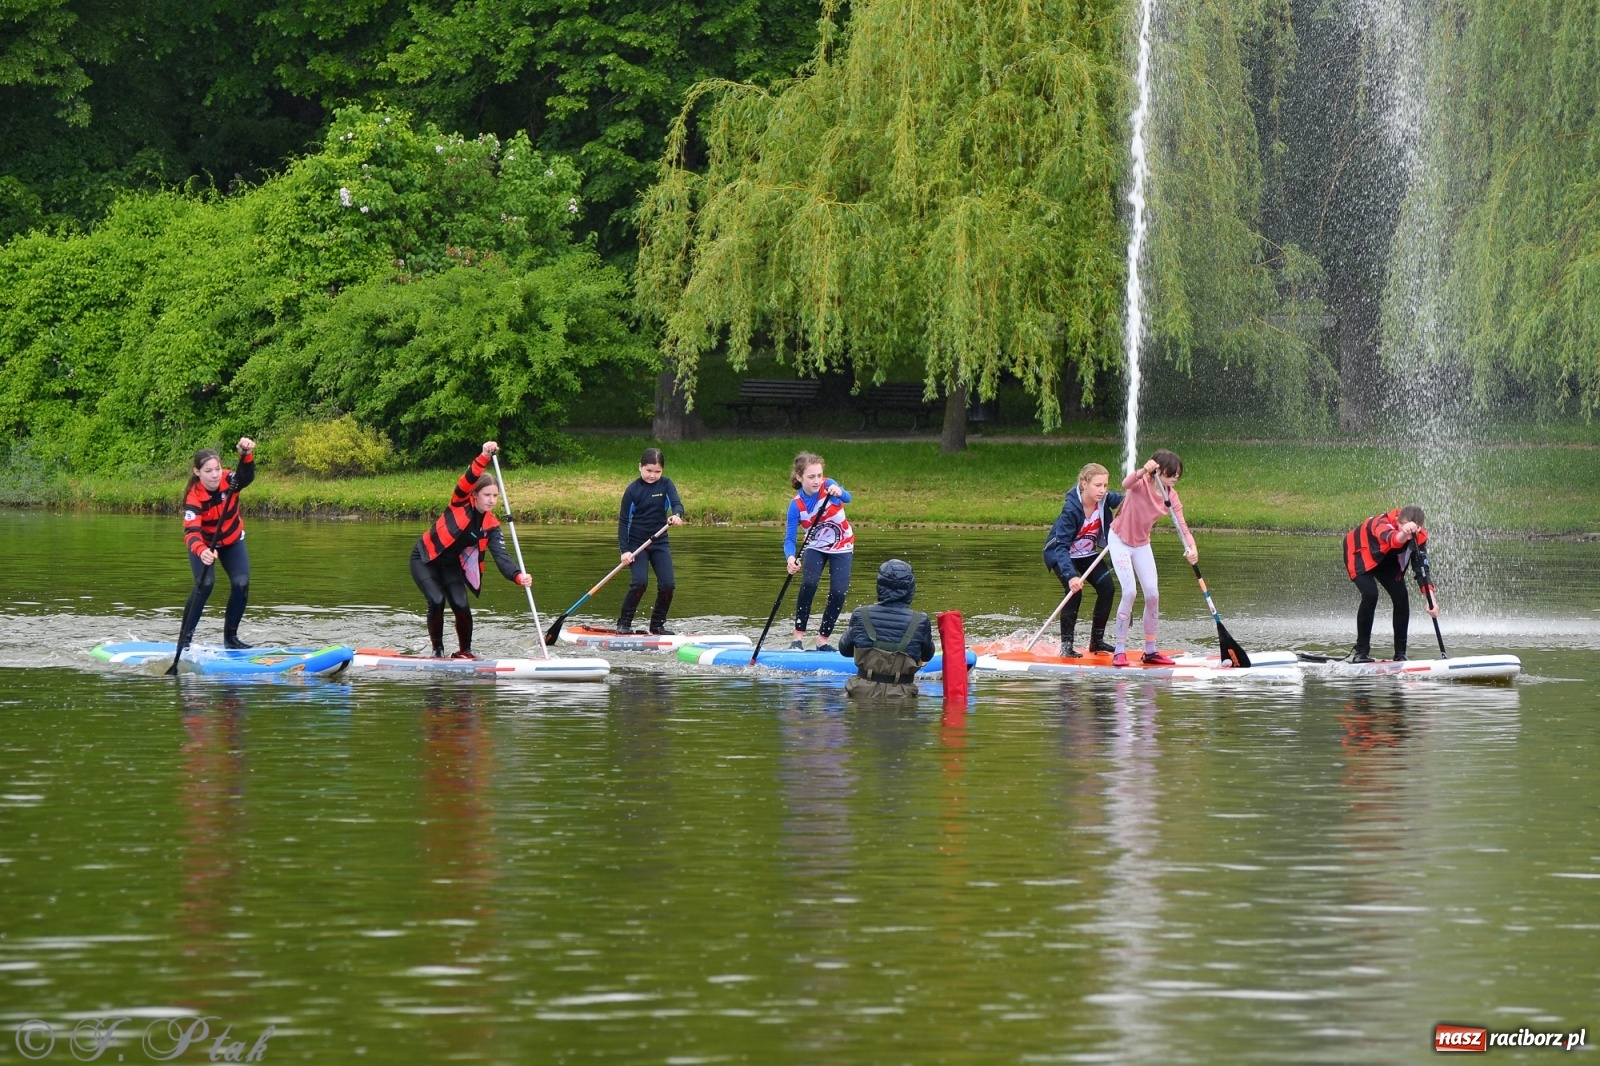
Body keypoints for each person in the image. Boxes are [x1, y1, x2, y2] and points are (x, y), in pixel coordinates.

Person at [410, 441, 533, 658]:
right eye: (487, 495)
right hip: (425, 559)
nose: (492, 500)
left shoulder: (492, 526)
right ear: (475, 495)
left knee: (461, 605)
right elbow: (469, 477)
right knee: (437, 600)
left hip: (450, 565)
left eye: (495, 496)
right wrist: (484, 456)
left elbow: (501, 556)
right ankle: (437, 651)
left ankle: (465, 652)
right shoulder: (459, 502)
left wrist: (517, 576)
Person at [1108, 449, 1198, 667]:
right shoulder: (1141, 484)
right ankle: (1119, 650)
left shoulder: (1171, 496)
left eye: (1178, 473)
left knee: (1152, 595)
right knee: (1129, 591)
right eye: (1172, 472)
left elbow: (1182, 526)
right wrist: (1142, 471)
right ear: (1159, 469)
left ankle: (1150, 651)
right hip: (1119, 540)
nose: (1176, 477)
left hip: (1141, 545)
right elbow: (1126, 483)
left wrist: (1192, 548)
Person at [180, 437, 258, 650]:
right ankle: (184, 641)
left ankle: (231, 639)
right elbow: (191, 532)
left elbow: (246, 476)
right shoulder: (193, 496)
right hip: (205, 544)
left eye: (217, 469)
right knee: (204, 584)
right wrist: (202, 550)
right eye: (208, 471)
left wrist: (246, 454)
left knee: (241, 583)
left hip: (232, 540)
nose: (215, 475)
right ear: (197, 472)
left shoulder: (229, 480)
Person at [1042, 461, 1124, 656]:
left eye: (1105, 485)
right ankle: (1066, 647)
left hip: (1087, 554)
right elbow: (1061, 547)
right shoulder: (1070, 510)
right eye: (1098, 485)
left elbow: (1128, 500)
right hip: (1062, 555)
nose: (1102, 490)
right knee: (1075, 593)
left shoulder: (1104, 498)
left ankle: (1096, 642)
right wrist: (1071, 576)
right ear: (1084, 484)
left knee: (1108, 589)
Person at [1343, 505, 1437, 662]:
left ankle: (1400, 655)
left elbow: (1421, 569)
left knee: (1401, 598)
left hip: (1385, 559)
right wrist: (1404, 532)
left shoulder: (1419, 536)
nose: (1410, 534)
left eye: (1414, 530)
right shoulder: (1382, 523)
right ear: (1397, 521)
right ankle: (1361, 653)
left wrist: (1431, 599)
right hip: (1360, 554)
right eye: (1402, 527)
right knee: (1371, 594)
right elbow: (1393, 540)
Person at [784, 452, 854, 651]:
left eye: (819, 476)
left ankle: (822, 641)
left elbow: (848, 497)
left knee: (838, 592)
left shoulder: (829, 486)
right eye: (811, 477)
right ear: (799, 477)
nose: (817, 481)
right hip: (815, 547)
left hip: (843, 546)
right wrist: (790, 558)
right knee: (808, 584)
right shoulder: (796, 505)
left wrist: (839, 491)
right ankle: (797, 638)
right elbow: (789, 539)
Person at [837, 559, 936, 698]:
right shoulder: (920, 620)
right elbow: (927, 655)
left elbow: (845, 650)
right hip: (902, 695)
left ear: (880, 586)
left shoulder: (861, 614)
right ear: (910, 589)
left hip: (861, 693)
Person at [616, 447, 686, 634]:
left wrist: (677, 515)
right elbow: (623, 522)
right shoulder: (632, 490)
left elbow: (677, 504)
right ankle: (624, 623)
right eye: (648, 470)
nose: (653, 475)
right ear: (640, 467)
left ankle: (657, 625)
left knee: (668, 585)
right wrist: (624, 550)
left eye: (657, 471)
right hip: (637, 544)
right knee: (640, 583)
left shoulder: (666, 485)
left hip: (659, 542)